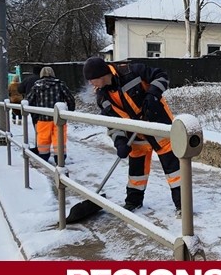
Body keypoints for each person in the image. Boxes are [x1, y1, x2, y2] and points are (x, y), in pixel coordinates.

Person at [82, 56, 182, 214]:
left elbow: (162, 75)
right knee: (136, 174)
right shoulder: (102, 98)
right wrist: (120, 142)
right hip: (136, 138)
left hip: (159, 129)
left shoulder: (132, 72)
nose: (90, 84)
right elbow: (113, 124)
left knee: (174, 171)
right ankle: (133, 203)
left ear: (101, 75)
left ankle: (182, 205)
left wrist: (152, 95)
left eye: (91, 79)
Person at [25, 66, 75, 163]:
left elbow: (30, 100)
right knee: (59, 139)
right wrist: (69, 111)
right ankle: (59, 158)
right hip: (58, 118)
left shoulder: (36, 86)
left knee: (43, 139)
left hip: (43, 118)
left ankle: (44, 157)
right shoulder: (60, 84)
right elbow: (70, 98)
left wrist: (35, 114)